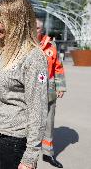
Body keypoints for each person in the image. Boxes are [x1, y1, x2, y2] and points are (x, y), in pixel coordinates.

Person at [0, 0, 48, 169]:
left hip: (15, 142)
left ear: (16, 22)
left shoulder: (34, 57)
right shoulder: (1, 49)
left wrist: (30, 157)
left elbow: (38, 108)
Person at [36, 18, 66, 168]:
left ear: (41, 30)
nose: (34, 30)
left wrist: (60, 86)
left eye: (37, 28)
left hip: (49, 90)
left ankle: (48, 153)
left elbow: (58, 67)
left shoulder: (51, 45)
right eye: (31, 27)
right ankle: (26, 154)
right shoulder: (24, 45)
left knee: (49, 122)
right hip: (30, 91)